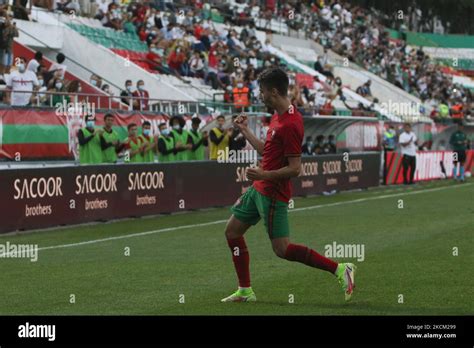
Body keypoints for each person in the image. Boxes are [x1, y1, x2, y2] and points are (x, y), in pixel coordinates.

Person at [221, 68, 355, 303]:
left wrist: (263, 173)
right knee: (232, 232)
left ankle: (341, 269)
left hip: (273, 193)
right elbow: (267, 151)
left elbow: (295, 168)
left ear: (273, 91)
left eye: (262, 91)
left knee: (282, 250)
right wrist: (246, 131)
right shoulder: (278, 116)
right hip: (258, 189)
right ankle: (245, 290)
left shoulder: (291, 124)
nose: (259, 95)